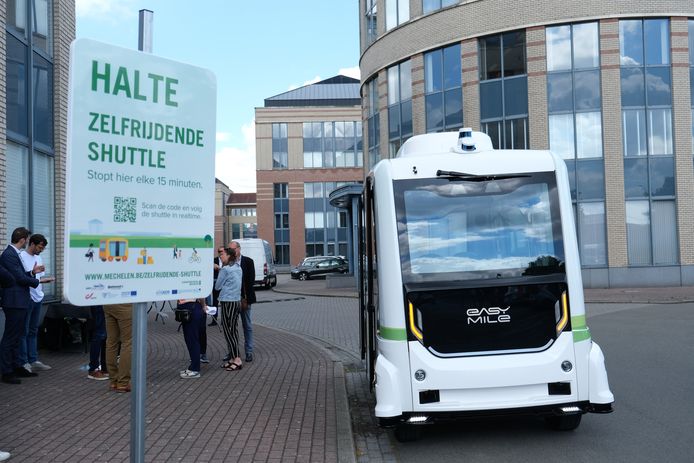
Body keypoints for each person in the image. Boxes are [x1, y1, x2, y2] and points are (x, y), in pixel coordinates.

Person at [0, 227, 41, 384]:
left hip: (20, 301)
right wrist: (37, 281)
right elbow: (18, 278)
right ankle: (6, 371)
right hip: (14, 301)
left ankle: (17, 366)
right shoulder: (9, 254)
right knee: (10, 337)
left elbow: (20, 275)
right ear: (23, 239)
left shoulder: (14, 254)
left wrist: (32, 273)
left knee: (17, 336)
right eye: (27, 239)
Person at [18, 233, 55, 372]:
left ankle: (33, 360)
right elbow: (21, 277)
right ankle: (24, 361)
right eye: (39, 247)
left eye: (43, 248)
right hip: (27, 298)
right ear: (32, 244)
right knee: (24, 331)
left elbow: (38, 278)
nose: (41, 250)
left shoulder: (38, 257)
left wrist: (42, 277)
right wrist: (33, 273)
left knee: (33, 330)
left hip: (38, 297)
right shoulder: (21, 256)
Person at [214, 247, 243, 371]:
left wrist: (220, 271)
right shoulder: (238, 267)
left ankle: (237, 358)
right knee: (233, 330)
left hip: (227, 301)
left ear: (229, 256)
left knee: (228, 330)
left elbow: (217, 286)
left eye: (223, 254)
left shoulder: (225, 270)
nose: (220, 256)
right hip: (236, 301)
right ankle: (232, 357)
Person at [229, 241, 256, 362]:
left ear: (239, 249)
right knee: (231, 327)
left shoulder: (248, 262)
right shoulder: (229, 263)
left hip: (244, 299)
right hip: (231, 300)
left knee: (247, 326)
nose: (231, 251)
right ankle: (233, 352)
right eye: (229, 249)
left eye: (232, 249)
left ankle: (249, 351)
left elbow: (250, 281)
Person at [103, 303, 132, 392]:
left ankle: (113, 381)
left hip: (108, 303)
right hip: (125, 304)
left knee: (111, 342)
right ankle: (123, 382)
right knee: (128, 342)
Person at [177, 298, 207, 378]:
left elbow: (201, 294)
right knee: (190, 339)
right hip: (189, 307)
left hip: (192, 308)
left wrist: (203, 305)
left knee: (192, 340)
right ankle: (193, 367)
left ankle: (195, 369)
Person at [86, 305, 108, 380]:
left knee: (104, 335)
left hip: (101, 302)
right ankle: (93, 369)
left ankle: (104, 368)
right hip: (98, 301)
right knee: (99, 335)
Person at [208, 246, 224, 326]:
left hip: (224, 285)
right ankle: (214, 320)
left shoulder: (227, 261)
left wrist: (220, 269)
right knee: (215, 302)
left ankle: (223, 320)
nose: (221, 252)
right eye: (219, 251)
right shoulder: (214, 260)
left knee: (224, 302)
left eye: (222, 251)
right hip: (216, 284)